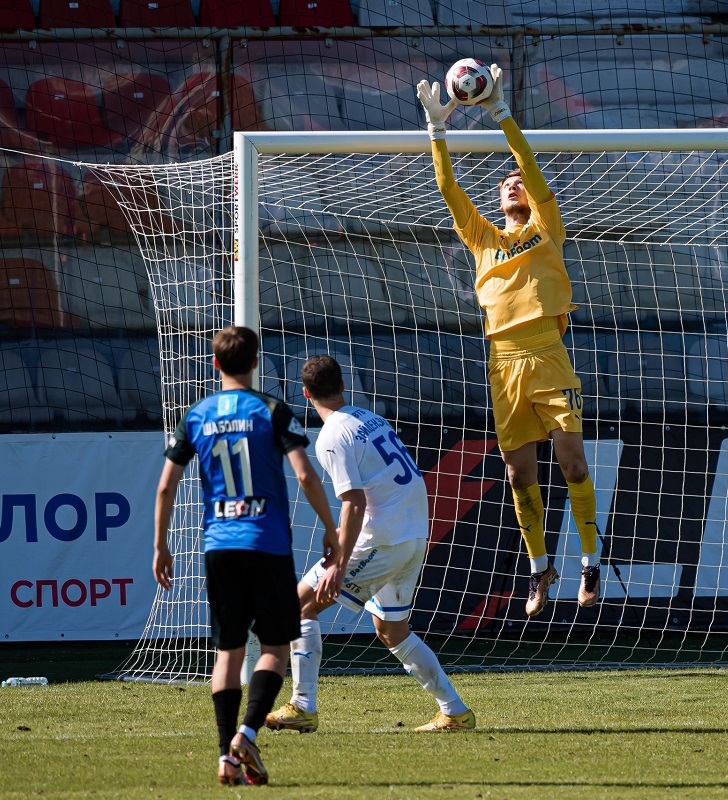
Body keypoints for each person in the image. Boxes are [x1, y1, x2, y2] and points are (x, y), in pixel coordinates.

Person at [416, 64, 601, 617]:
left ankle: (590, 562)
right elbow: (448, 188)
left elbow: (530, 166)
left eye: (516, 181)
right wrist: (438, 131)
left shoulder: (547, 226)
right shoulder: (483, 240)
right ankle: (540, 567)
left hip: (548, 352)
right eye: (505, 185)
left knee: (571, 463)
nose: (514, 184)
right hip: (502, 360)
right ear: (497, 202)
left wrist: (499, 112)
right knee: (519, 474)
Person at [153, 325, 338, 786]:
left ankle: (224, 756)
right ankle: (247, 733)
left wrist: (160, 544)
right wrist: (331, 529)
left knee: (227, 653)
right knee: (275, 647)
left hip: (219, 547)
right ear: (256, 362)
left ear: (215, 365)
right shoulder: (272, 409)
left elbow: (165, 486)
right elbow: (305, 474)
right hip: (267, 544)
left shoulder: (196, 414)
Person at [265, 355, 476, 734]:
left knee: (299, 607)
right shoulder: (371, 418)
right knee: (391, 630)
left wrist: (339, 563)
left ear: (305, 393)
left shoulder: (331, 435)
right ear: (344, 385)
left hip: (384, 537)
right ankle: (455, 711)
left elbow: (354, 502)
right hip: (413, 535)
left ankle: (302, 706)